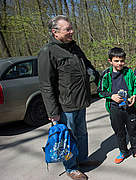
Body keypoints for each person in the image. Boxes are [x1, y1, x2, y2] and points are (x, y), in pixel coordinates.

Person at [38, 15, 100, 180]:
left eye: (71, 28)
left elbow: (87, 64)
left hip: (81, 101)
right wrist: (52, 111)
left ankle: (82, 160)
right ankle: (71, 168)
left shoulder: (74, 47)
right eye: (68, 29)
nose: (72, 32)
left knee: (82, 133)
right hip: (65, 105)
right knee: (67, 138)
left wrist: (93, 73)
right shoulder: (48, 51)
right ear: (55, 32)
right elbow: (46, 85)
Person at [97, 47, 136, 164]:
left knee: (132, 130)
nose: (120, 63)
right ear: (110, 61)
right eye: (116, 61)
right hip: (114, 108)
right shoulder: (106, 74)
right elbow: (100, 91)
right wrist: (111, 96)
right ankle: (123, 151)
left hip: (129, 107)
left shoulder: (129, 72)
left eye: (122, 61)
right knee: (119, 132)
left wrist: (134, 95)